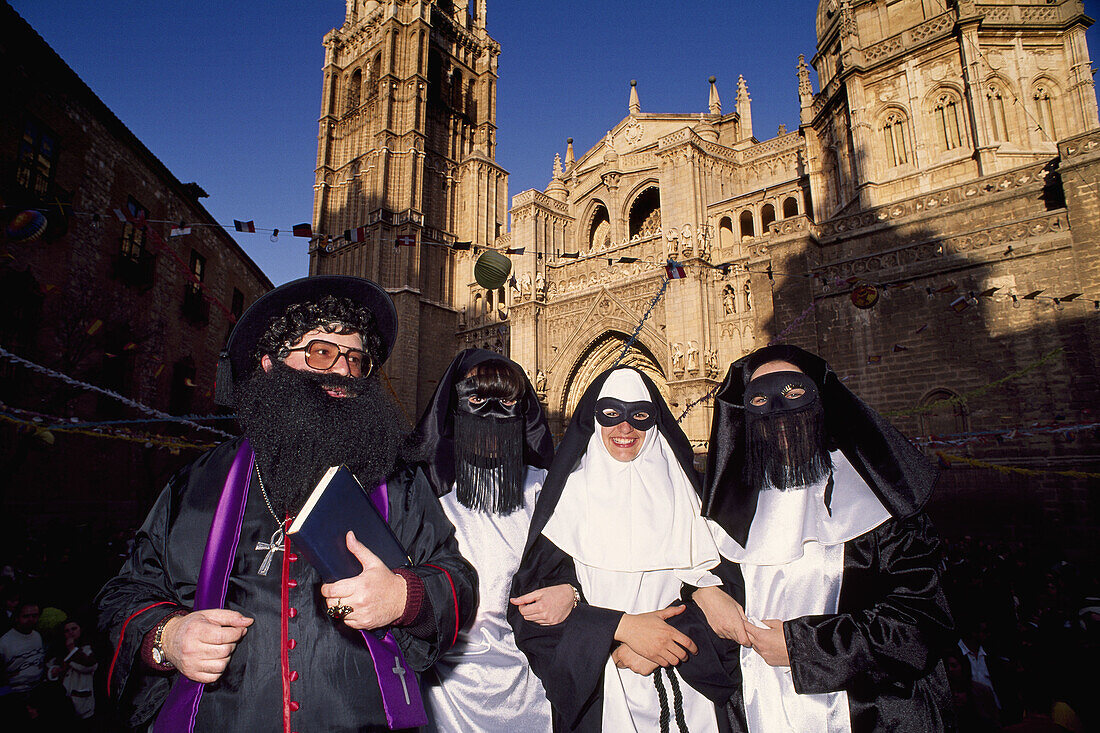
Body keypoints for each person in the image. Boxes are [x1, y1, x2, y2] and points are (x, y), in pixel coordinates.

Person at [96, 275, 477, 732]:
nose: (343, 372)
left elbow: (456, 579)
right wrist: (168, 637)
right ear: (271, 365)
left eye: (357, 359)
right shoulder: (197, 483)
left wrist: (404, 597)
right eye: (322, 353)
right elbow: (124, 594)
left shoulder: (396, 479)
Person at [675, 344, 956, 732]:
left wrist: (802, 648)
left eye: (793, 395)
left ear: (820, 402)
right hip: (758, 711)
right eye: (760, 400)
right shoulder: (731, 512)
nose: (779, 415)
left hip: (870, 712)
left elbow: (923, 622)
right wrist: (703, 591)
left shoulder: (878, 500)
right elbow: (709, 587)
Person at [510, 366, 727, 732]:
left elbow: (731, 600)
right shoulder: (567, 503)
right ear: (594, 420)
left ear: (654, 421)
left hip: (688, 683)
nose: (624, 428)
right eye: (610, 414)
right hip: (601, 690)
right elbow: (530, 619)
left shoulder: (692, 498)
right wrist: (617, 633)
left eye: (639, 415)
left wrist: (666, 641)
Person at [411, 349, 563, 731]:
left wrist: (571, 593)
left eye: (507, 401)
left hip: (529, 680)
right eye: (477, 400)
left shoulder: (542, 488)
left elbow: (577, 567)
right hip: (442, 684)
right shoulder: (420, 490)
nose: (493, 416)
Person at [0, 600, 45, 724]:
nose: (31, 619)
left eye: (34, 615)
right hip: (16, 698)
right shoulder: (4, 643)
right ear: (17, 618)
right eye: (26, 616)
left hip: (37, 692)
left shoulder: (37, 636)